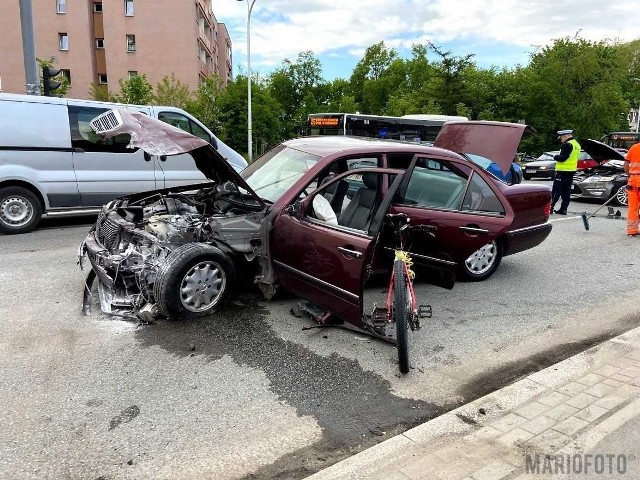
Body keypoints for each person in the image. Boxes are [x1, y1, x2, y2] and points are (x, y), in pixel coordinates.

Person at [551, 129, 581, 215]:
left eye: (561, 138)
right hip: (570, 171)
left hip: (562, 171)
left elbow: (562, 158)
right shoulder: (576, 144)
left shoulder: (567, 145)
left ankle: (550, 208)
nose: (560, 140)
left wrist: (555, 157)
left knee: (556, 191)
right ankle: (563, 209)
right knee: (566, 191)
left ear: (565, 136)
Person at [624, 140, 640, 236]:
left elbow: (626, 164)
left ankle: (632, 230)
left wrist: (630, 175)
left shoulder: (634, 147)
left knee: (632, 207)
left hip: (632, 180)